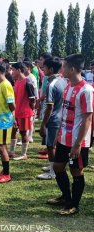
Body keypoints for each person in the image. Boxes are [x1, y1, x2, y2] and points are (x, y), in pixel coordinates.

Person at [47, 54, 93, 215]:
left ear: (72, 69)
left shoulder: (86, 90)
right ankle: (66, 197)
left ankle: (73, 205)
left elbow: (88, 118)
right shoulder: (68, 86)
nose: (62, 69)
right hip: (63, 138)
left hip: (77, 141)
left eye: (64, 66)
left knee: (76, 172)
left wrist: (78, 144)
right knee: (58, 166)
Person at [37, 57, 66, 180]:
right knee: (56, 144)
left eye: (44, 67)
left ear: (51, 69)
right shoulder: (63, 81)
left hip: (53, 119)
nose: (43, 69)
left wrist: (43, 124)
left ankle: (52, 172)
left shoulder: (51, 84)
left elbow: (49, 107)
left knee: (50, 145)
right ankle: (53, 167)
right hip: (61, 117)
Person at [0, 61, 15, 183]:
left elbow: (12, 104)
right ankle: (3, 170)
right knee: (0, 146)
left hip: (5, 120)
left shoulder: (6, 85)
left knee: (2, 146)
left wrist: (13, 118)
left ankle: (6, 174)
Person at [9, 62, 36, 160]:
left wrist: (32, 111)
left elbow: (32, 99)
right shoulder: (16, 81)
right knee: (13, 130)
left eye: (13, 70)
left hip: (25, 112)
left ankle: (24, 154)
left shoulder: (27, 82)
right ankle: (12, 152)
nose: (12, 72)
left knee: (23, 133)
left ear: (19, 70)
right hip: (16, 111)